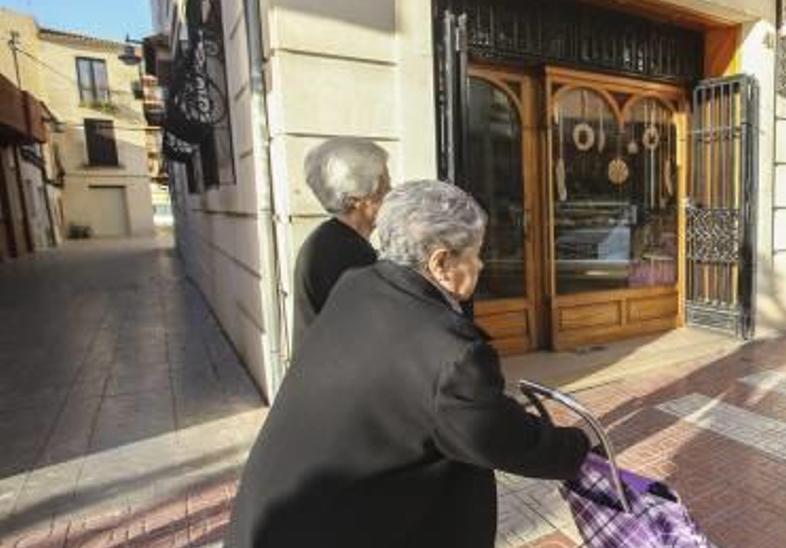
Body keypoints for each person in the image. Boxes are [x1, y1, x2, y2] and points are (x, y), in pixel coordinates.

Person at [227, 180, 590, 548]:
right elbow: (495, 435)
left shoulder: (358, 285)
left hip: (277, 521)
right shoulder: (451, 355)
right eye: (476, 253)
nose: (480, 264)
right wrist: (577, 449)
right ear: (441, 263)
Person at [292, 138, 389, 348]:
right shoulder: (348, 254)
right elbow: (368, 337)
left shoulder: (330, 239)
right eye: (383, 190)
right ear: (356, 199)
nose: (389, 197)